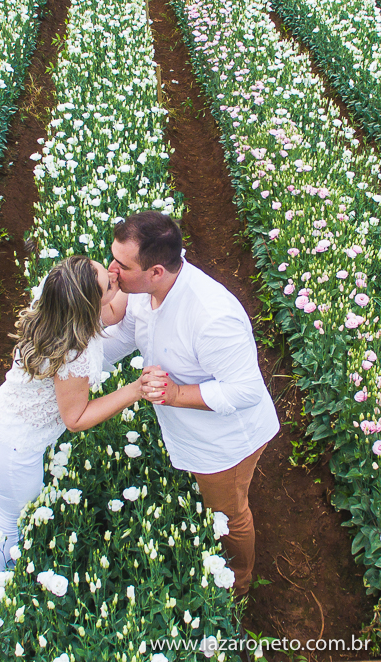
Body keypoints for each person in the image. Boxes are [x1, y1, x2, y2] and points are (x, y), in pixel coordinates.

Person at [103, 211, 280, 596]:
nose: (111, 271)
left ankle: (239, 584)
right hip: (191, 430)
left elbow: (245, 390)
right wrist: (72, 357)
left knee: (229, 515)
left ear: (156, 272)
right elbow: (122, 337)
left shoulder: (212, 316)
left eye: (122, 264)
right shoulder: (145, 292)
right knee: (215, 505)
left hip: (225, 443)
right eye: (112, 258)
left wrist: (175, 395)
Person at [0, 255, 133, 572]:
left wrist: (134, 269)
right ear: (88, 307)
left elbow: (115, 312)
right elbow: (75, 420)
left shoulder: (56, 300)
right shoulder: (73, 352)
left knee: (17, 518)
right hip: (14, 449)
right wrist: (132, 391)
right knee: (13, 522)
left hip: (4, 426)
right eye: (108, 283)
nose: (113, 275)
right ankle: (6, 587)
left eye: (108, 269)